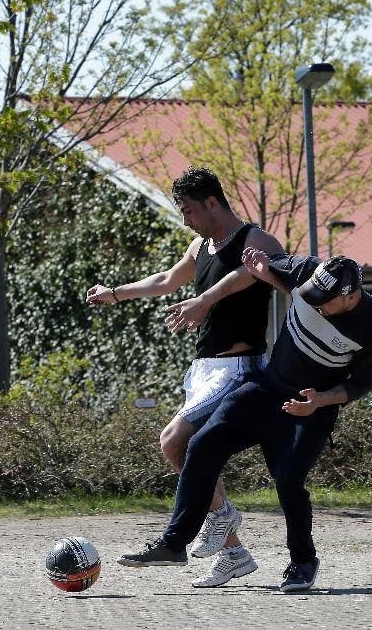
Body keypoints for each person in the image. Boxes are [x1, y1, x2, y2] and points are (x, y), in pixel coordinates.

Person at [117, 250, 372, 593]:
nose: (317, 304)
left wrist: (321, 400)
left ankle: (303, 563)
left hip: (311, 406)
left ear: (350, 297)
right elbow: (272, 272)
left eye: (326, 302)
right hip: (268, 388)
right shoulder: (308, 270)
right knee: (201, 444)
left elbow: (362, 381)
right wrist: (262, 266)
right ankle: (174, 544)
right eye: (313, 296)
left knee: (289, 481)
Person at [86, 166, 283, 587]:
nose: (186, 219)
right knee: (193, 449)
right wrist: (115, 293)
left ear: (213, 202)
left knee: (174, 440)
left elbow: (247, 274)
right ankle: (232, 551)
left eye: (190, 210)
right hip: (205, 369)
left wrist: (203, 301)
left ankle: (217, 516)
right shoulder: (200, 244)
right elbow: (165, 280)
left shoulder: (257, 241)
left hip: (239, 367)